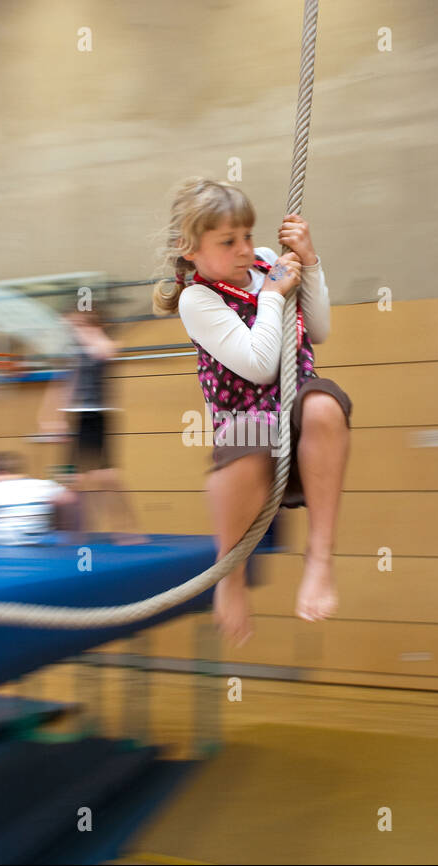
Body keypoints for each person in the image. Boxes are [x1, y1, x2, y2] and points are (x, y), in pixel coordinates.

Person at [151, 177, 352, 644]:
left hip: (297, 413)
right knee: (245, 440)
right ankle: (231, 576)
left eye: (247, 235)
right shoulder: (198, 298)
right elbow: (260, 366)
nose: (245, 250)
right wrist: (272, 295)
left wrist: (310, 261)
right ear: (190, 250)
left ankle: (320, 557)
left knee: (324, 404)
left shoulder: (266, 263)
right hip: (246, 431)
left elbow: (317, 330)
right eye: (228, 242)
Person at [38, 307, 146, 544]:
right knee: (70, 479)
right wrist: (52, 418)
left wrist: (90, 332)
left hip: (98, 416)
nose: (72, 331)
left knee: (107, 477)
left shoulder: (101, 345)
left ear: (92, 326)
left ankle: (127, 529)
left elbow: (107, 352)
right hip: (76, 418)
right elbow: (62, 386)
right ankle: (76, 532)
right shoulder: (73, 353)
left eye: (77, 326)